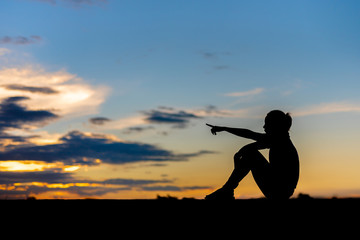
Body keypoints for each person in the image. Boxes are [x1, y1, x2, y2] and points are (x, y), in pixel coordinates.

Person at [205, 110, 299, 200]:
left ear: (275, 125)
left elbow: (250, 140)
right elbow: (251, 135)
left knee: (250, 154)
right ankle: (227, 190)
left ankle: (227, 190)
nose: (264, 127)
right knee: (250, 153)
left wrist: (239, 153)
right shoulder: (280, 139)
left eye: (267, 124)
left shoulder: (280, 140)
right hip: (280, 189)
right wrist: (224, 129)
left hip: (279, 191)